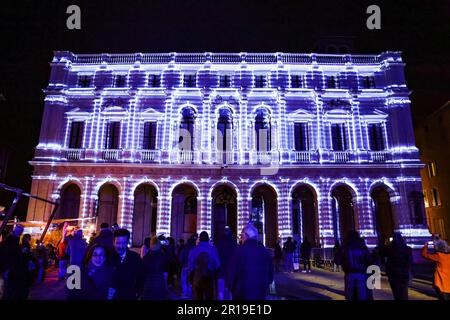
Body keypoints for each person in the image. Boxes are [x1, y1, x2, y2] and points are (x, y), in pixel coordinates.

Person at [226, 224, 274, 300]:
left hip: (241, 295)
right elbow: (271, 276)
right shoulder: (266, 252)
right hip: (260, 294)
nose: (240, 238)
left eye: (241, 235)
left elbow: (230, 274)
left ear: (246, 236)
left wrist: (231, 289)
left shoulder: (238, 251)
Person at [110, 229, 144, 300]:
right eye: (118, 243)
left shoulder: (136, 258)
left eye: (124, 243)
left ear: (127, 242)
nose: (121, 246)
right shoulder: (108, 257)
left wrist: (138, 293)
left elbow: (141, 277)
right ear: (113, 242)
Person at [340, 230, 371, 300]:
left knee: (350, 295)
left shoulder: (345, 247)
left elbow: (337, 260)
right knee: (362, 295)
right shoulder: (362, 246)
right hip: (361, 273)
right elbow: (369, 259)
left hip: (349, 273)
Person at [188, 231, 220, 300]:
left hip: (197, 276)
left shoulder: (193, 249)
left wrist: (191, 275)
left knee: (198, 296)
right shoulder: (213, 249)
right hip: (209, 276)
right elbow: (217, 264)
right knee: (209, 296)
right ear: (208, 239)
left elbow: (190, 264)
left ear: (199, 239)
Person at [383, 232, 412, 300]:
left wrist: (387, 243)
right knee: (404, 293)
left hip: (394, 274)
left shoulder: (390, 249)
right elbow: (409, 262)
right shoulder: (407, 249)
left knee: (396, 293)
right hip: (404, 273)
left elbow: (382, 253)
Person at [216, 227, 237, 300]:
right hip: (231, 269)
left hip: (221, 269)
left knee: (221, 290)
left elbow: (217, 255)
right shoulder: (234, 242)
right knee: (230, 290)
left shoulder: (220, 242)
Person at [178, 234, 196, 298]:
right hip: (192, 267)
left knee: (184, 280)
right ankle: (189, 293)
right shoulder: (195, 248)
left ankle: (184, 294)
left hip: (185, 266)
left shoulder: (185, 248)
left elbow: (180, 258)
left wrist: (181, 263)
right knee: (190, 281)